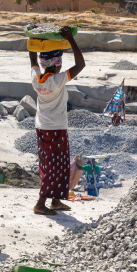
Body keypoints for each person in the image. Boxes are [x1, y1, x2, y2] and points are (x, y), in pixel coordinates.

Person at [29, 26, 85, 215]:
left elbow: (32, 60)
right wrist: (70, 39)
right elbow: (80, 65)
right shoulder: (57, 80)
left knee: (55, 163)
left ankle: (55, 201)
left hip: (43, 128)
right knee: (54, 166)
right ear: (57, 64)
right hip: (55, 129)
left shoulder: (37, 79)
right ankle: (40, 203)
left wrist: (34, 39)